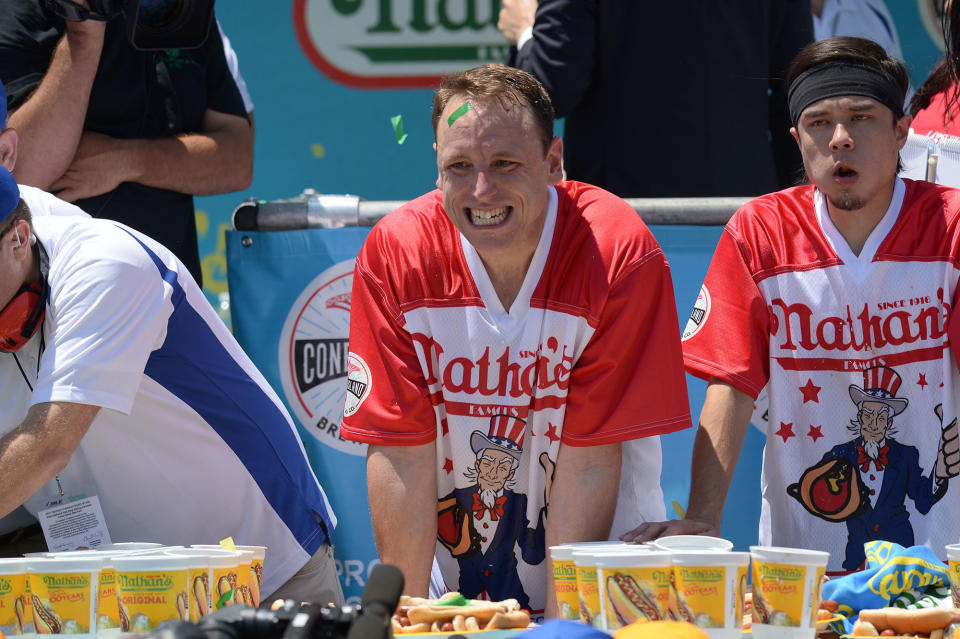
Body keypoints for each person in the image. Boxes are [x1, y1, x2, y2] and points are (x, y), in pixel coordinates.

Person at [340, 64, 691, 616]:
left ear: (553, 162)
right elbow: (401, 454)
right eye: (460, 166)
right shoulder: (396, 253)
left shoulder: (615, 249)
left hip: (600, 579)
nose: (482, 189)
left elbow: (590, 461)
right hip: (455, 591)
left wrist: (562, 625)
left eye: (505, 163)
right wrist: (409, 616)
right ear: (435, 168)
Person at [0, 77, 341, 604]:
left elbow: (48, 445)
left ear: (19, 237)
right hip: (118, 588)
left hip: (258, 573)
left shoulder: (105, 263)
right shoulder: (15, 240)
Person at [626, 36, 960, 573]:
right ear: (796, 140)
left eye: (862, 117)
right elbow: (731, 384)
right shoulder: (761, 231)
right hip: (801, 571)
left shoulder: (952, 224)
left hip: (940, 565)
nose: (841, 139)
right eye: (819, 123)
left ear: (902, 132)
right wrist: (706, 517)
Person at [0, 0, 253, 286]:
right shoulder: (19, 10)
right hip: (57, 299)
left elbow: (238, 161)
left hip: (168, 296)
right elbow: (18, 172)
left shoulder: (183, 10)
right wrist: (84, 33)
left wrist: (126, 161)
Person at [497, 0, 813, 198]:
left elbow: (552, 90)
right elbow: (796, 88)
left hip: (625, 219)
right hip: (745, 207)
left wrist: (525, 31)